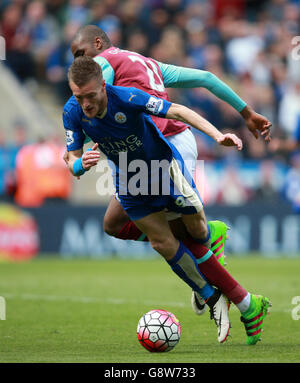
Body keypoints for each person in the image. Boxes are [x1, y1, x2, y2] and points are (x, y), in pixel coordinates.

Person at [63, 56, 271, 345]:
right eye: (78, 96)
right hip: (131, 181)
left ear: (103, 84)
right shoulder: (73, 111)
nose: (85, 104)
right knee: (161, 242)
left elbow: (179, 111)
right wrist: (80, 165)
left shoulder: (126, 96)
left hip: (164, 169)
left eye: (90, 95)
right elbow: (71, 160)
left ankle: (217, 244)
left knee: (197, 234)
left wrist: (216, 135)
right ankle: (215, 299)